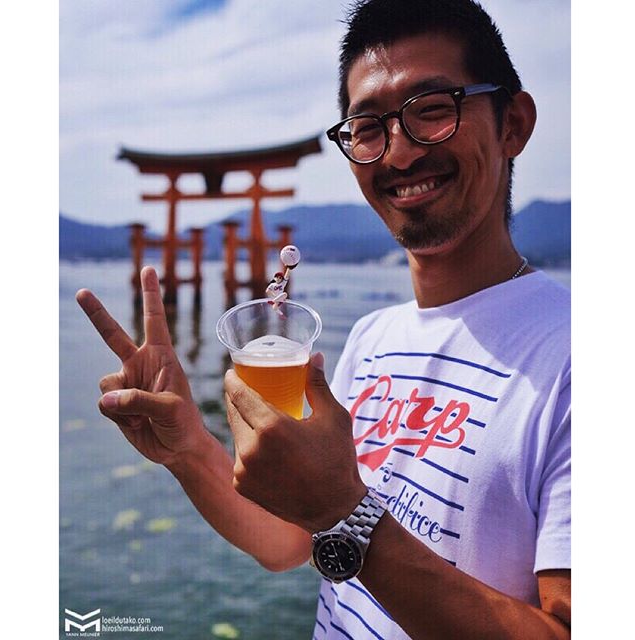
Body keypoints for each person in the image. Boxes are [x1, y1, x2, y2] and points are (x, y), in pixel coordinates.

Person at [76, 0, 570, 637]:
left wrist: (347, 513)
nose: (396, 154)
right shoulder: (371, 339)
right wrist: (190, 450)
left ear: (514, 124)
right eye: (367, 128)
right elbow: (288, 540)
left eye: (433, 110)